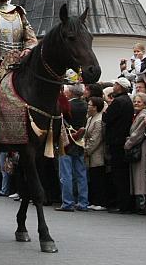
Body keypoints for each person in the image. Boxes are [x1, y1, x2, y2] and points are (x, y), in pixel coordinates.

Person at [103, 77, 134, 213]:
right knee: (122, 174)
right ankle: (124, 203)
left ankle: (122, 204)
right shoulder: (127, 100)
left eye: (115, 84)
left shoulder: (118, 102)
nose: (114, 87)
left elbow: (107, 118)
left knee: (119, 174)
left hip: (116, 140)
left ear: (120, 87)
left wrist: (106, 110)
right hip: (121, 139)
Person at [57, 84, 88, 212]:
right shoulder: (86, 105)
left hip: (67, 140)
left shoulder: (67, 106)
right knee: (81, 173)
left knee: (66, 173)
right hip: (80, 141)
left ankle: (68, 202)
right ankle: (83, 201)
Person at [125, 93, 146, 214]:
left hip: (142, 148)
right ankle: (145, 204)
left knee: (142, 178)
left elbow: (138, 134)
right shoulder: (137, 115)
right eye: (135, 101)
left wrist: (128, 143)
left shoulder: (143, 116)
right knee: (140, 178)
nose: (136, 103)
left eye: (139, 102)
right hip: (138, 147)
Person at [84, 96, 107, 211]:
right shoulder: (90, 118)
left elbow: (96, 139)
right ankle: (94, 200)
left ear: (95, 107)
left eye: (89, 105)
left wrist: (87, 150)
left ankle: (100, 201)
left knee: (98, 177)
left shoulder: (99, 120)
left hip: (97, 152)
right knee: (93, 177)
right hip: (89, 150)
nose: (87, 107)